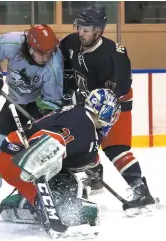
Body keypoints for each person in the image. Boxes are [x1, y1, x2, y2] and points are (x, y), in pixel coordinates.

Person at [59, 6, 155, 212]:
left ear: (99, 30)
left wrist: (83, 100)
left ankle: (141, 191)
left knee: (115, 148)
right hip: (84, 103)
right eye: (80, 28)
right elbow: (61, 65)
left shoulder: (114, 55)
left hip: (114, 104)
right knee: (74, 140)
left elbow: (114, 92)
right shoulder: (70, 42)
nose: (81, 33)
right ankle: (93, 177)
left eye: (87, 29)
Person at [0, 88, 121, 237]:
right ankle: (41, 205)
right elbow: (52, 141)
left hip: (15, 160)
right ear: (105, 111)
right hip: (18, 160)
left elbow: (74, 157)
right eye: (113, 113)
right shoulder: (83, 125)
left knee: (73, 194)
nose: (113, 119)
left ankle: (24, 203)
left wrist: (93, 162)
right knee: (54, 147)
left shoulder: (81, 116)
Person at [0, 25, 64, 209]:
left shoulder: (54, 64)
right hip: (14, 100)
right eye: (41, 53)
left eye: (49, 53)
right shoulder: (11, 42)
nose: (46, 57)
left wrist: (40, 120)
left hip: (38, 106)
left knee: (33, 149)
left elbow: (52, 102)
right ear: (30, 47)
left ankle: (31, 189)